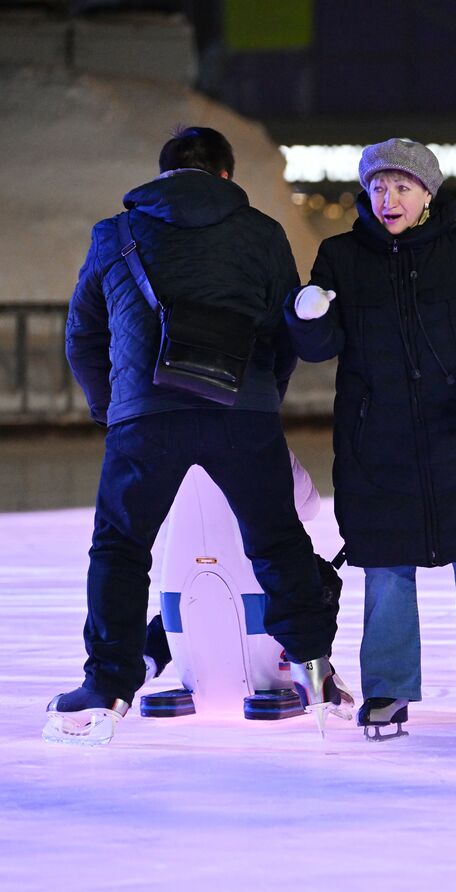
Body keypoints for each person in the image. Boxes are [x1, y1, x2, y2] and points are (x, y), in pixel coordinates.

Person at [53, 126, 347, 745]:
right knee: (276, 539)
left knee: (121, 549)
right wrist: (263, 398)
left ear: (163, 174)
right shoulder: (262, 233)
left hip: (145, 418)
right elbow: (282, 331)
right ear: (225, 176)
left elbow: (83, 336)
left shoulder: (116, 233)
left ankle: (107, 683)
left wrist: (115, 410)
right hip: (243, 409)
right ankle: (313, 665)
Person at [286, 138, 456, 738]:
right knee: (386, 565)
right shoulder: (341, 256)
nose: (388, 198)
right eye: (378, 186)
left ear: (427, 194)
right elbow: (320, 350)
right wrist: (311, 313)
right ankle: (388, 688)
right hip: (380, 441)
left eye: (401, 186)